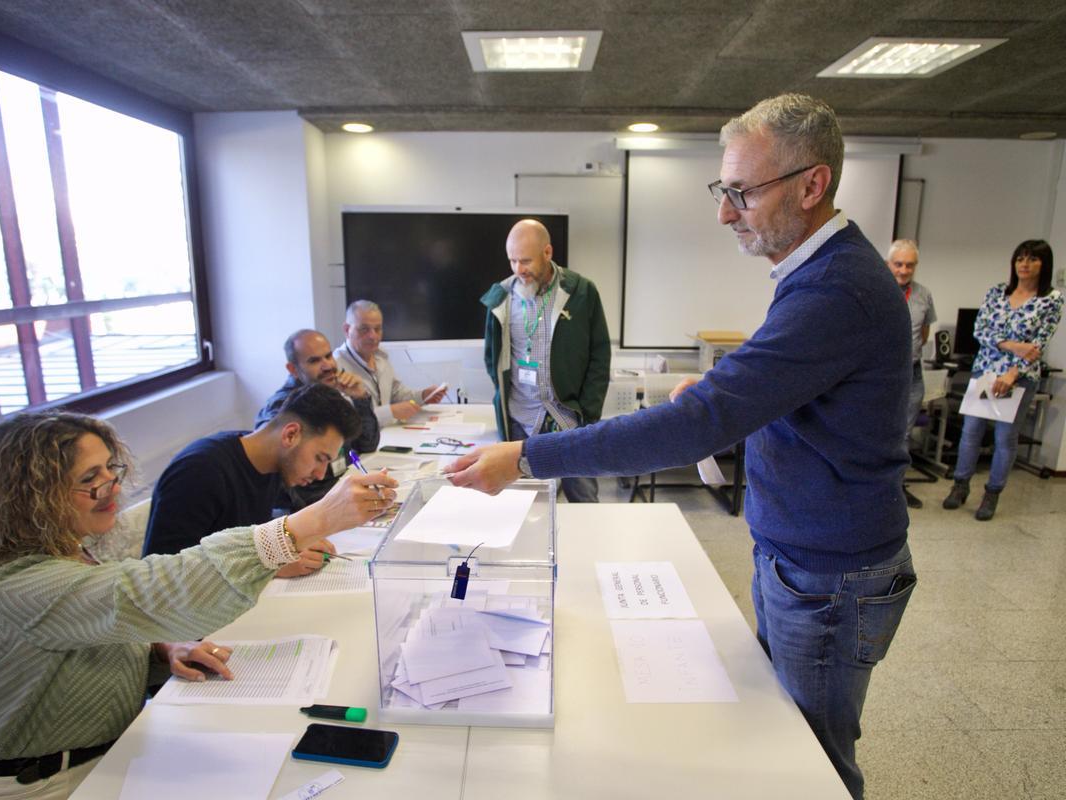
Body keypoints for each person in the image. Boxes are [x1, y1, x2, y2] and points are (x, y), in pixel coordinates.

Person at [447, 94, 916, 800]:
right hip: (804, 555)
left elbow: (698, 425)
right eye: (721, 191)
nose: (726, 212)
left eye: (742, 193)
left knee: (814, 762)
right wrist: (727, 379)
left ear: (812, 185)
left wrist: (522, 458)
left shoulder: (836, 288)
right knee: (781, 733)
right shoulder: (819, 273)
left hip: (829, 574)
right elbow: (794, 381)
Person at [0, 408, 396, 799]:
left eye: (111, 469)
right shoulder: (21, 584)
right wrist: (306, 524)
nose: (112, 486)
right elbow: (154, 588)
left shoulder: (67, 548)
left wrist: (158, 650)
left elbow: (98, 628)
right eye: (90, 479)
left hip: (91, 756)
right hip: (16, 785)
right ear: (33, 499)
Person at [141, 383, 363, 576]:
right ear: (290, 435)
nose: (320, 474)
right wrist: (270, 566)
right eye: (319, 458)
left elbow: (244, 540)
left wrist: (293, 541)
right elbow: (164, 573)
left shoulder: (273, 465)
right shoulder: (200, 471)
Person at [481, 218, 610, 503]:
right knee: (523, 504)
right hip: (521, 419)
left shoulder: (581, 291)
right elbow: (492, 358)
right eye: (512, 261)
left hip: (568, 418)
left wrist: (589, 412)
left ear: (548, 253)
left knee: (584, 498)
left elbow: (600, 356)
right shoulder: (501, 296)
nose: (518, 270)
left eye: (525, 260)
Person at [942, 240, 1061, 520]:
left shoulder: (1051, 299)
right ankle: (960, 484)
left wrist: (1013, 370)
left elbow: (1037, 344)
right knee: (971, 431)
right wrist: (1012, 345)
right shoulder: (998, 291)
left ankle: (992, 492)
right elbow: (980, 330)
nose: (1024, 264)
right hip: (985, 372)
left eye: (1032, 259)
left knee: (1005, 437)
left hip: (1018, 379)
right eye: (1020, 258)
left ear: (1043, 265)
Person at [255, 329, 380, 510]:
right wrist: (326, 508)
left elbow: (367, 444)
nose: (328, 365)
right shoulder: (282, 408)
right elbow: (279, 483)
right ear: (293, 369)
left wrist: (360, 398)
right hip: (311, 511)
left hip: (336, 496)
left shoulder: (327, 395)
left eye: (328, 356)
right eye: (314, 361)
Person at [334, 300, 449, 426]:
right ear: (346, 330)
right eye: (364, 329)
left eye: (377, 329)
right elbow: (346, 419)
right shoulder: (335, 366)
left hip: (388, 434)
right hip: (360, 443)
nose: (373, 336)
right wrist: (391, 412)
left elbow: (397, 394)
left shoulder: (381, 357)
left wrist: (423, 396)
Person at [888, 239, 937, 509]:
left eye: (910, 265)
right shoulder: (875, 289)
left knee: (904, 433)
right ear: (888, 264)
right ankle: (875, 490)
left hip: (912, 372)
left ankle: (897, 489)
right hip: (882, 374)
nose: (904, 270)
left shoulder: (923, 294)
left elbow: (924, 333)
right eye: (899, 264)